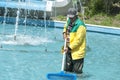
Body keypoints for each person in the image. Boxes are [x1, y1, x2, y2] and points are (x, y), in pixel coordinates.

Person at [62, 8, 86, 74]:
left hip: (77, 52)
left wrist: (69, 48)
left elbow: (79, 41)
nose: (70, 19)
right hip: (68, 49)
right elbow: (65, 27)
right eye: (69, 17)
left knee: (77, 72)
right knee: (67, 70)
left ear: (76, 16)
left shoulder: (81, 26)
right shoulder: (69, 21)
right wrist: (64, 33)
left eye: (72, 17)